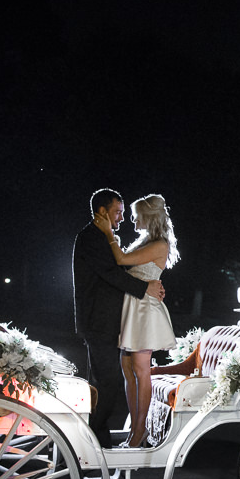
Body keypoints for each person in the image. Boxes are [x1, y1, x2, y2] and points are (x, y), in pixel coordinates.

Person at [73, 189, 164, 448]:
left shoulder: (103, 237)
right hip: (98, 322)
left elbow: (121, 269)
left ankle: (99, 441)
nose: (122, 218)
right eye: (118, 212)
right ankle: (96, 444)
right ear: (102, 211)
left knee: (106, 382)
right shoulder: (91, 238)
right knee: (107, 383)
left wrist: (148, 282)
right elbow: (110, 273)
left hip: (113, 321)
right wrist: (145, 287)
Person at [94, 194, 180, 448]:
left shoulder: (160, 244)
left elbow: (121, 260)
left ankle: (140, 431)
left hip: (144, 312)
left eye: (136, 214)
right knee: (128, 370)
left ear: (149, 217)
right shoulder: (145, 241)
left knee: (142, 371)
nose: (132, 219)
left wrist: (109, 234)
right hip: (132, 308)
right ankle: (135, 426)